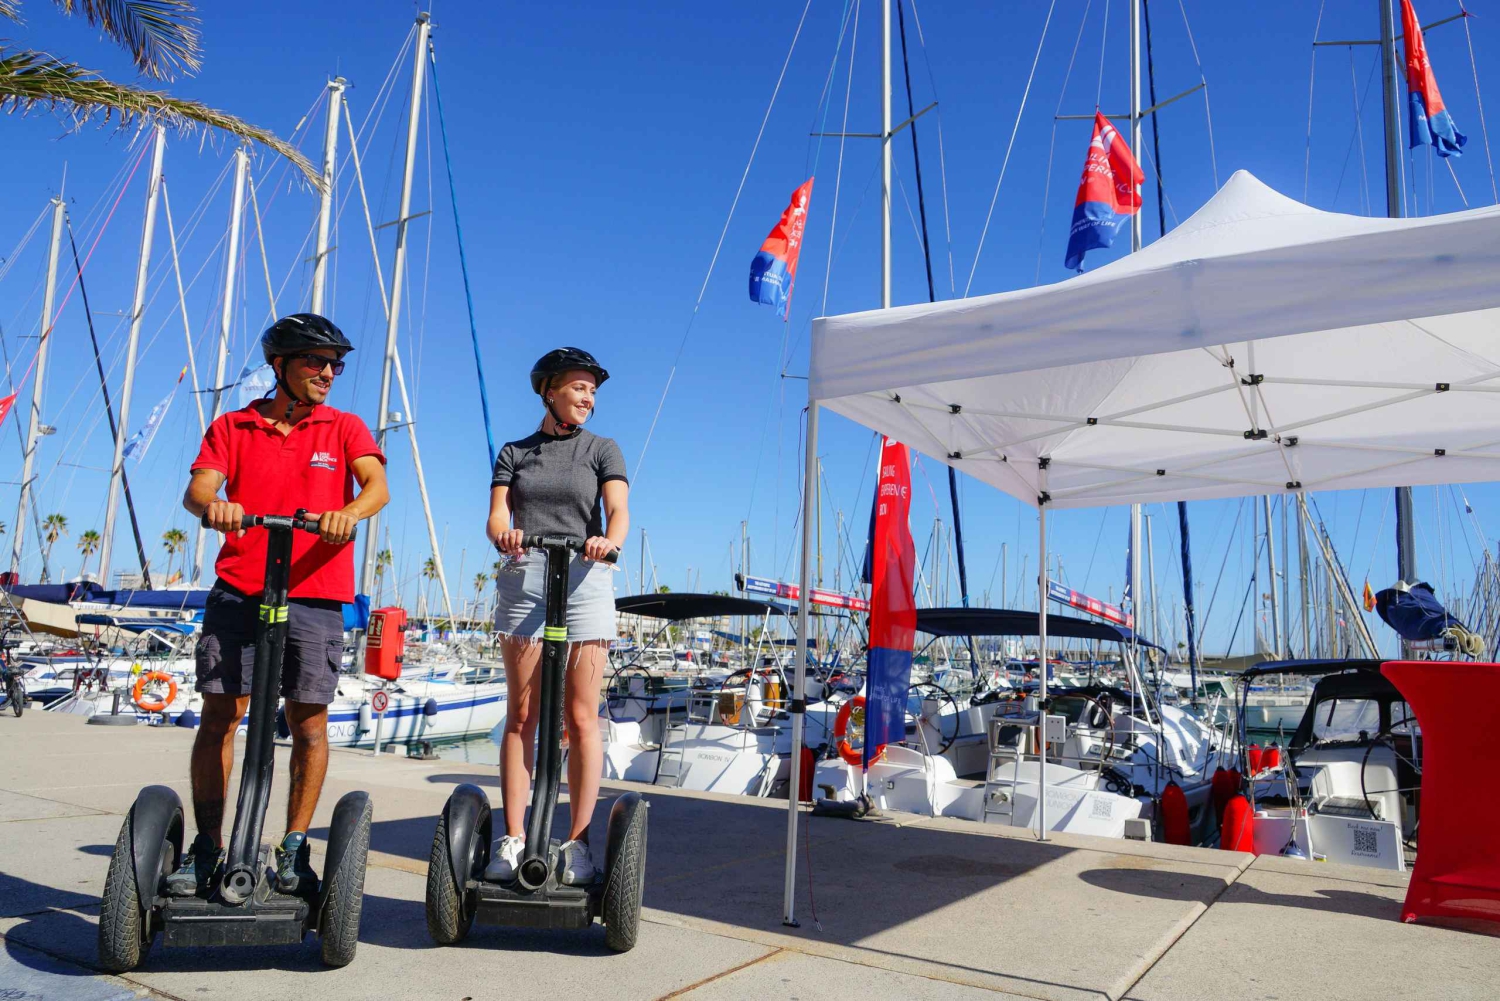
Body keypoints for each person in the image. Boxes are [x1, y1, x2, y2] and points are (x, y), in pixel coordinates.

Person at [166, 313, 388, 898]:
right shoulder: (233, 427)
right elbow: (198, 488)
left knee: (308, 721)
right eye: (316, 361)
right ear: (281, 366)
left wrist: (350, 513)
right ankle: (209, 847)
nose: (329, 373)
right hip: (240, 588)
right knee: (221, 714)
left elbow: (376, 487)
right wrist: (215, 505)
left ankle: (292, 847)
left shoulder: (343, 428)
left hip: (315, 592)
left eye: (336, 364)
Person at [486, 347, 629, 884]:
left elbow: (618, 510)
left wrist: (608, 544)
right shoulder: (515, 451)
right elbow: (499, 512)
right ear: (549, 390)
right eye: (579, 387)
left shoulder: (602, 449)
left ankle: (577, 843)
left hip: (586, 578)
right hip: (526, 578)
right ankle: (514, 837)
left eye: (593, 389)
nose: (588, 397)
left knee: (581, 717)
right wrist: (504, 532)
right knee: (522, 716)